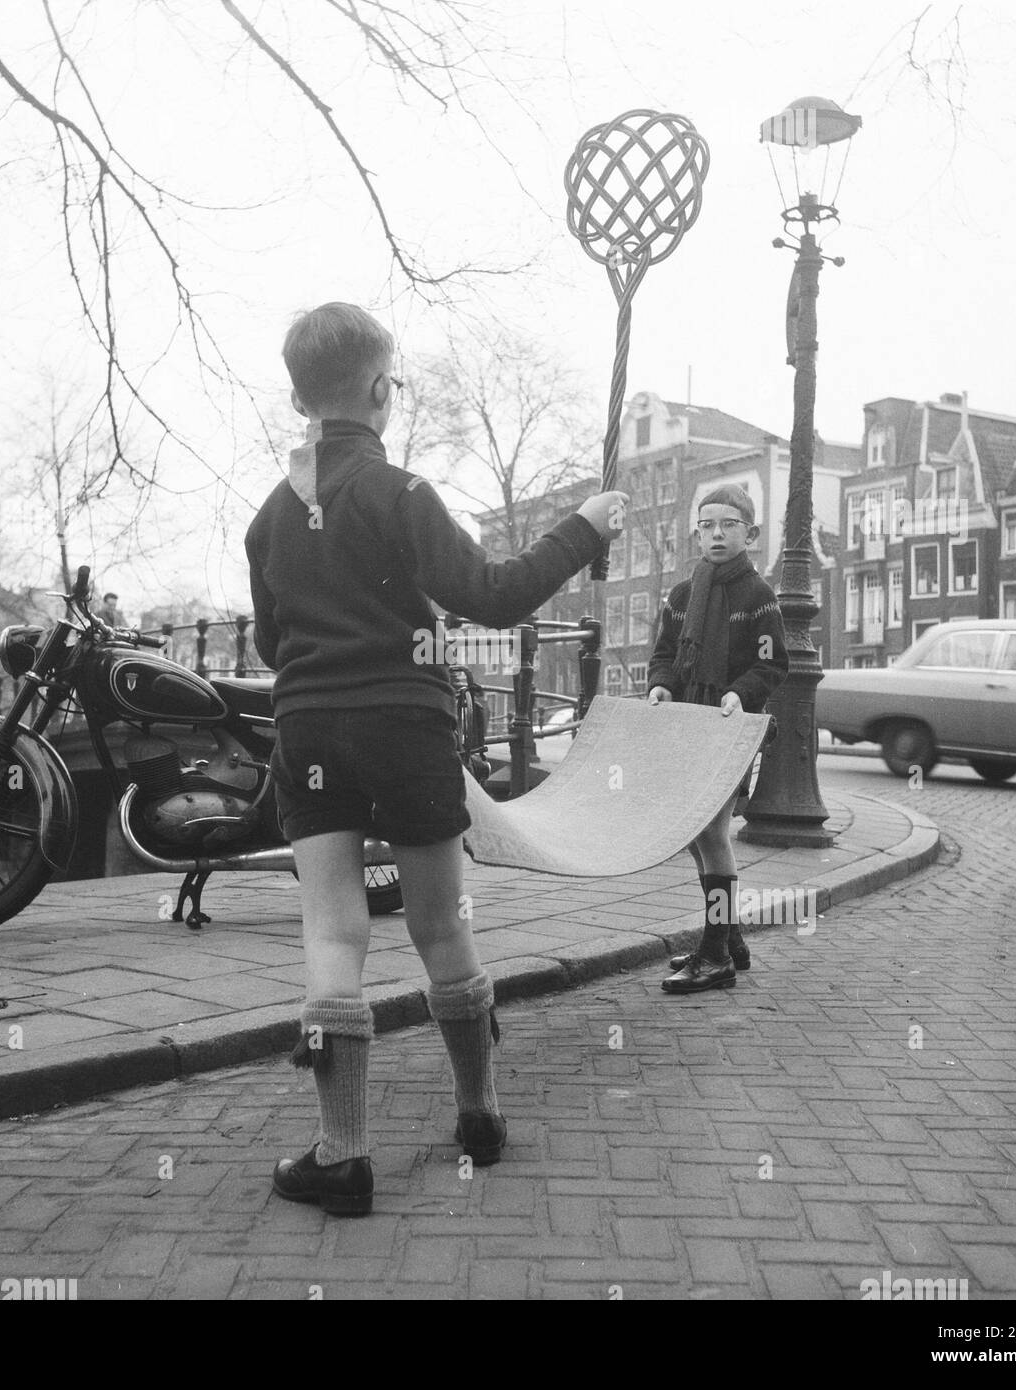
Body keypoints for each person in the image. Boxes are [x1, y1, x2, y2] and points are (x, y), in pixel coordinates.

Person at [246, 301, 627, 1215]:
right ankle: (479, 1114)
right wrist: (584, 527)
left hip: (307, 729)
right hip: (406, 728)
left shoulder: (266, 517)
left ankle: (341, 1155)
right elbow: (493, 597)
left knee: (334, 934)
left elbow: (269, 641)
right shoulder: (403, 494)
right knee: (440, 929)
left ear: (300, 398)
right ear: (380, 390)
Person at [646, 483, 788, 996]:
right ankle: (730, 940)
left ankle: (715, 954)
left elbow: (772, 663)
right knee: (696, 834)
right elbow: (664, 652)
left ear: (749, 534)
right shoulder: (684, 594)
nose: (716, 535)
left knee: (711, 835)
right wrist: (661, 682)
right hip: (689, 725)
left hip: (730, 727)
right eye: (706, 525)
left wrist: (738, 693)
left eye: (728, 525)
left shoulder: (759, 597)